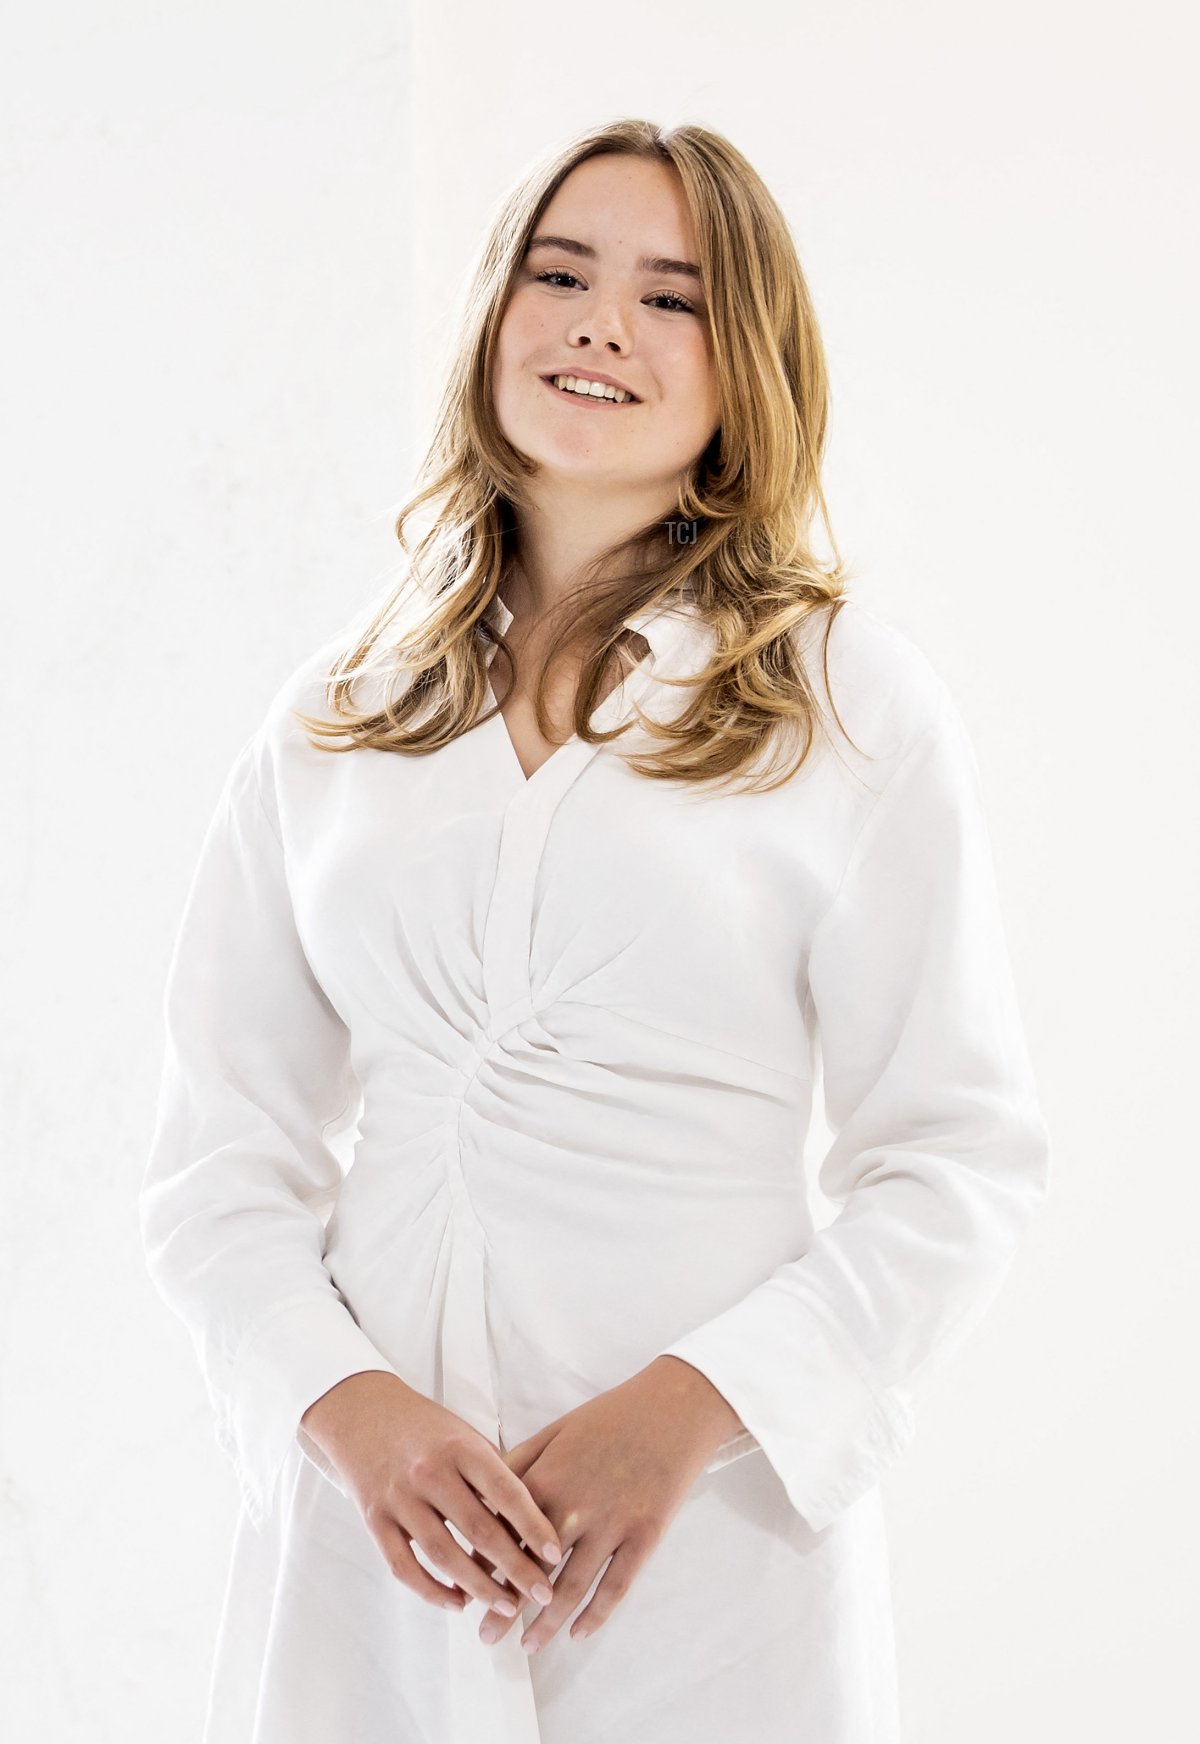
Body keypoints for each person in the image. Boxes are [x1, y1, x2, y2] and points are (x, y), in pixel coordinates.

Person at [139, 117, 1051, 1744]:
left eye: (671, 296)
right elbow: (220, 1159)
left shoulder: (847, 708)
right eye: (558, 275)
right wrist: (347, 1412)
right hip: (368, 1568)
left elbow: (954, 1157)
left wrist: (696, 1411)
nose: (597, 325)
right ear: (495, 315)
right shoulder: (338, 718)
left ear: (746, 363)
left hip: (711, 1571)